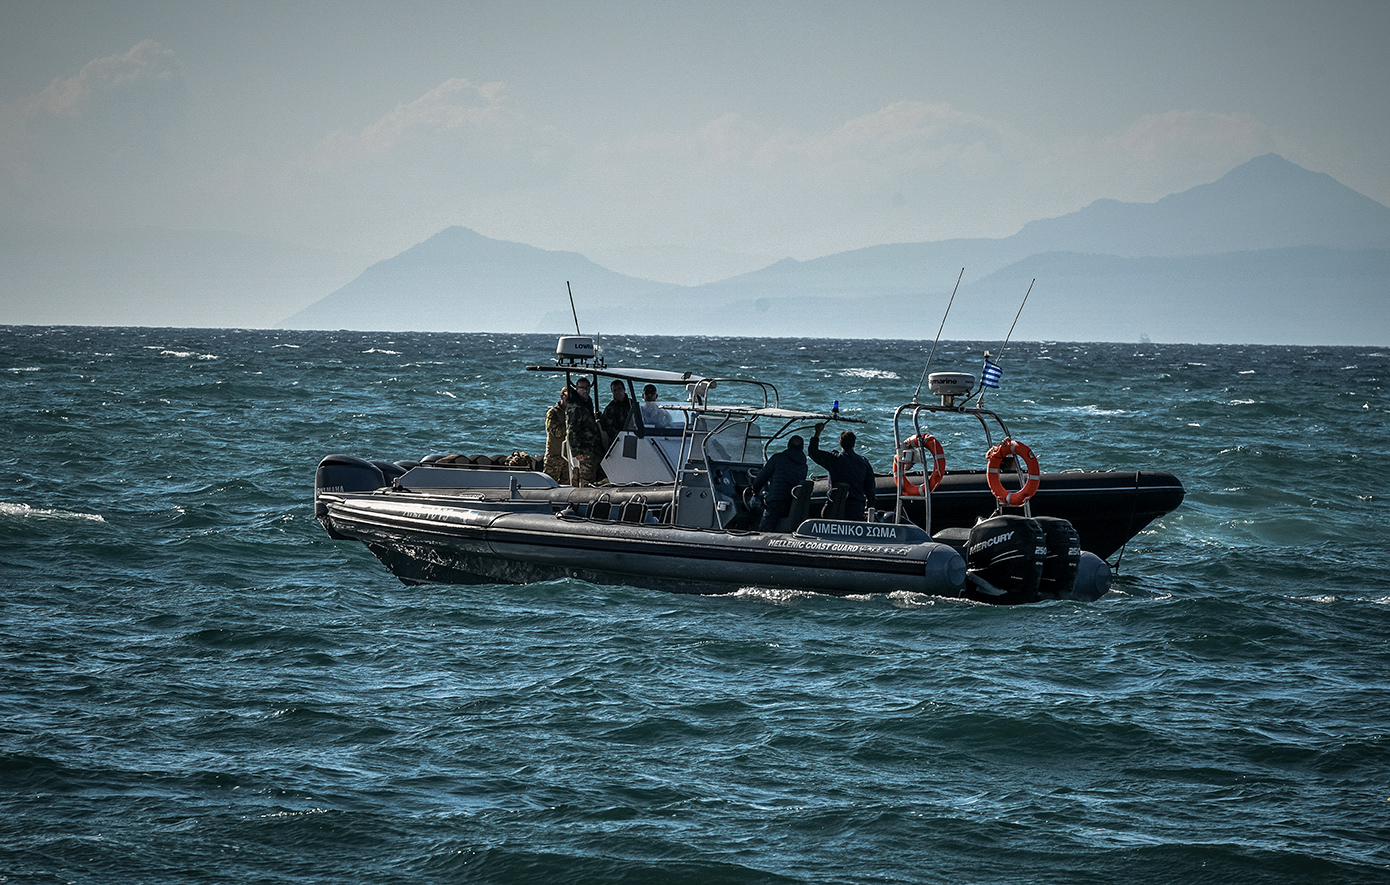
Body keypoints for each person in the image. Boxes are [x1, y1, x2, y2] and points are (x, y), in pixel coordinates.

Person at [810, 423, 877, 520]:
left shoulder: (833, 459)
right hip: (856, 509)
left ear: (840, 443)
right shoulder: (864, 463)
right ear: (854, 444)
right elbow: (870, 489)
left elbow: (813, 452)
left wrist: (817, 433)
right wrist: (870, 506)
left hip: (835, 508)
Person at [750, 435, 808, 531]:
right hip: (791, 505)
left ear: (788, 446)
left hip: (775, 503)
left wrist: (754, 492)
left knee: (763, 530)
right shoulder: (804, 465)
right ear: (802, 448)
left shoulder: (777, 458)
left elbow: (761, 478)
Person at [565, 378, 605, 486]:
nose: (585, 391)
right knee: (586, 477)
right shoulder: (575, 407)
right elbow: (572, 430)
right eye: (582, 388)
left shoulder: (587, 402)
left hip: (593, 445)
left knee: (597, 474)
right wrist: (577, 451)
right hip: (584, 447)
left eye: (587, 388)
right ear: (577, 388)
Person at [543, 387, 570, 484]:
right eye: (567, 397)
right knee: (549, 484)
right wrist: (570, 425)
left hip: (567, 458)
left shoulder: (571, 413)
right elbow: (555, 432)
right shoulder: (553, 413)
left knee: (567, 486)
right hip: (554, 457)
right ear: (562, 397)